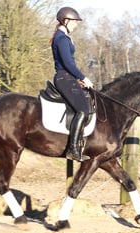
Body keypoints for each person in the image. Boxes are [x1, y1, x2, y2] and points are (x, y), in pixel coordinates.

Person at [50, 7, 94, 162]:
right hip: (64, 78)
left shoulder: (64, 37)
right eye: (75, 22)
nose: (76, 25)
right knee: (83, 109)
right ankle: (72, 149)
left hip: (69, 78)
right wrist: (83, 77)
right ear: (65, 20)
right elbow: (68, 63)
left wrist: (78, 79)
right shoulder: (61, 38)